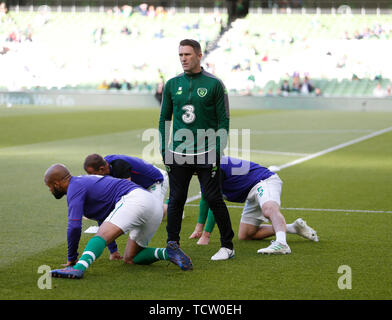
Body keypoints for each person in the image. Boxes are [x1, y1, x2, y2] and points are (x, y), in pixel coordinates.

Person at [44, 164, 192, 279]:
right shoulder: (84, 182)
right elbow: (105, 220)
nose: (50, 190)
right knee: (131, 258)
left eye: (49, 186)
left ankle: (79, 268)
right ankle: (168, 253)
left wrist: (72, 259)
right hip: (154, 205)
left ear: (56, 183)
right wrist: (113, 251)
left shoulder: (74, 187)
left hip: (135, 199)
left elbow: (75, 226)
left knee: (100, 236)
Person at [159, 39, 235, 261]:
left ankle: (227, 246)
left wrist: (218, 148)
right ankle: (172, 244)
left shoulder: (214, 84)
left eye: (188, 55)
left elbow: (224, 120)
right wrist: (165, 149)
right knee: (176, 200)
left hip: (207, 150)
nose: (183, 58)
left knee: (213, 198)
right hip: (178, 151)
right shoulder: (172, 84)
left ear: (199, 56)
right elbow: (164, 118)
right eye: (181, 55)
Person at [189, 156, 319, 253]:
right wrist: (198, 229)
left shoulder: (214, 168)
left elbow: (215, 203)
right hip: (249, 192)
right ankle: (294, 228)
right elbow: (206, 199)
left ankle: (281, 243)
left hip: (263, 181)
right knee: (246, 235)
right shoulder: (204, 172)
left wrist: (206, 235)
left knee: (269, 209)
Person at [83, 154, 169, 217]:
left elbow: (127, 192)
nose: (93, 177)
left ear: (101, 169)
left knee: (153, 215)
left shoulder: (119, 166)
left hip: (155, 180)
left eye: (93, 174)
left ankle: (172, 206)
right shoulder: (105, 166)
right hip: (142, 182)